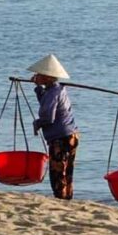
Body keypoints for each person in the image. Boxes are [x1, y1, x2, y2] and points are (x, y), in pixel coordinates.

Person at [27, 54, 79, 201]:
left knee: (57, 173)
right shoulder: (58, 90)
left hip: (60, 138)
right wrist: (38, 88)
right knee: (67, 171)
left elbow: (48, 117)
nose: (36, 76)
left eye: (40, 74)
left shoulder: (53, 92)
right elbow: (46, 103)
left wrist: (37, 123)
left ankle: (61, 199)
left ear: (48, 77)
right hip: (72, 135)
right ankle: (67, 198)